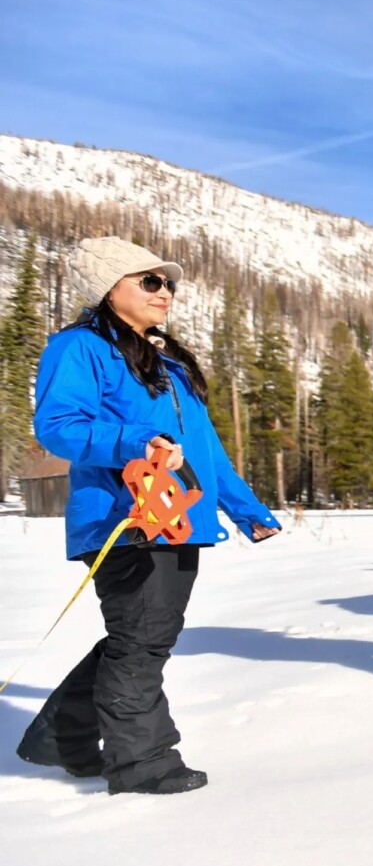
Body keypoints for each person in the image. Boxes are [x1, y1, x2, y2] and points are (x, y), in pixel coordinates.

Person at [17, 237, 282, 794]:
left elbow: (206, 450)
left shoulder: (166, 362)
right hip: (125, 519)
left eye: (169, 283)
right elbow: (58, 427)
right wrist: (136, 441)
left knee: (141, 637)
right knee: (140, 642)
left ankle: (62, 737)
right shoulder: (80, 347)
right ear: (108, 287)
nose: (166, 292)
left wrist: (245, 509)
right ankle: (142, 763)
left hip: (179, 518)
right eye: (150, 281)